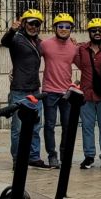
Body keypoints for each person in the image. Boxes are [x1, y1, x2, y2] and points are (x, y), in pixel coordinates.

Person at [0, 9, 48, 168]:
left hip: (35, 89)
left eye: (37, 24)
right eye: (30, 23)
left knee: (35, 126)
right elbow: (4, 42)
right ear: (24, 23)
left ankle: (33, 157)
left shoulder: (39, 42)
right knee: (18, 128)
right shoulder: (16, 39)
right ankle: (17, 159)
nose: (33, 26)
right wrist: (12, 29)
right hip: (19, 89)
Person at [73, 18, 101, 171]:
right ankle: (89, 156)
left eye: (100, 30)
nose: (97, 33)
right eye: (94, 30)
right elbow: (76, 62)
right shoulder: (81, 49)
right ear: (89, 32)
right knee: (87, 127)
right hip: (86, 95)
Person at [40, 12, 79, 169]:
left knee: (67, 126)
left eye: (67, 26)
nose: (63, 29)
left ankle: (65, 154)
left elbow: (86, 65)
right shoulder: (45, 45)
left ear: (71, 29)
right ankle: (52, 155)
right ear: (54, 27)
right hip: (49, 91)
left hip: (67, 92)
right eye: (60, 26)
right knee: (49, 126)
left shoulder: (74, 47)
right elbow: (31, 57)